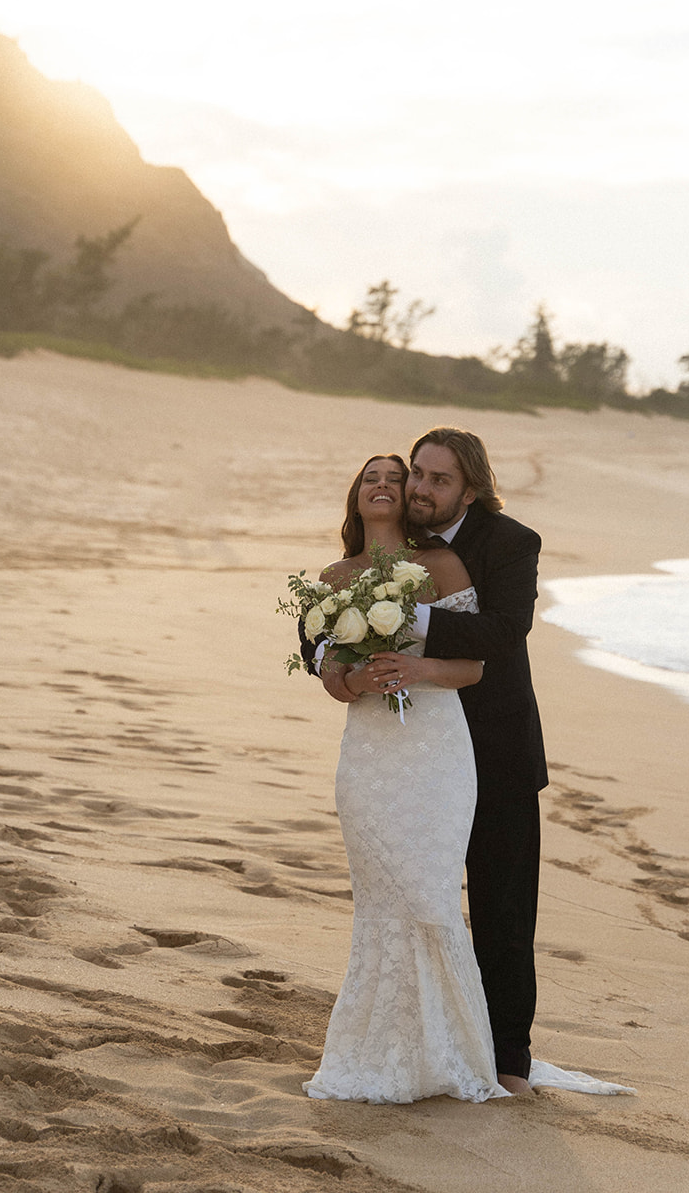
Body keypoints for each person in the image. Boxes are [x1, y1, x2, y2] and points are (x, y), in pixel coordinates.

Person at [328, 428, 547, 1094]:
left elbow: (504, 632)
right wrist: (339, 643)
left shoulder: (508, 544)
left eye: (438, 479)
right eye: (416, 473)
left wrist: (390, 620)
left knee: (503, 911)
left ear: (470, 488)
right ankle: (415, 1039)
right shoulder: (377, 554)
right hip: (406, 751)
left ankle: (504, 1062)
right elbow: (324, 632)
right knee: (410, 894)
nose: (420, 488)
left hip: (495, 748)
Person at [302, 453, 507, 1104]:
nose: (386, 487)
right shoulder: (335, 577)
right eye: (372, 478)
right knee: (381, 898)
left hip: (435, 750)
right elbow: (331, 679)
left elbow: (472, 666)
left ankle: (447, 1051)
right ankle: (374, 1050)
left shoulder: (440, 568)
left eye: (397, 478)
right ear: (355, 497)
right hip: (368, 754)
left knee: (429, 892)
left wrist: (416, 670)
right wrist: (355, 679)